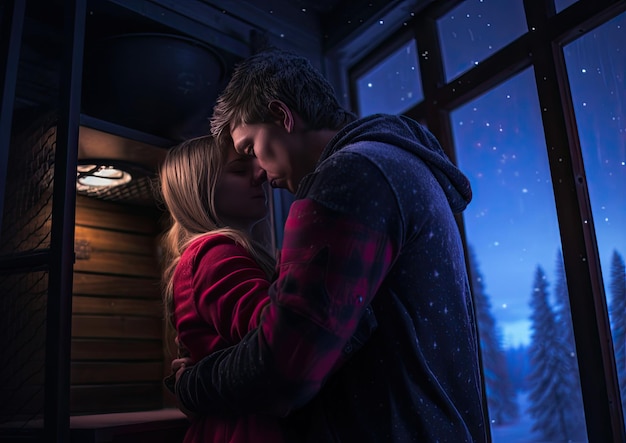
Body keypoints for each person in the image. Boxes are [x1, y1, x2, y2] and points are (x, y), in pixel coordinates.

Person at [173, 48, 488, 442]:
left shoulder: (348, 175)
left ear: (282, 116)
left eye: (249, 149)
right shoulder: (397, 165)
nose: (257, 171)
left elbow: (284, 366)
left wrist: (189, 383)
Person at [158, 135, 288, 442]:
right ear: (202, 191)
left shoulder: (208, 255)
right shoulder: (216, 254)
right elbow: (277, 334)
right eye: (240, 170)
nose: (260, 173)